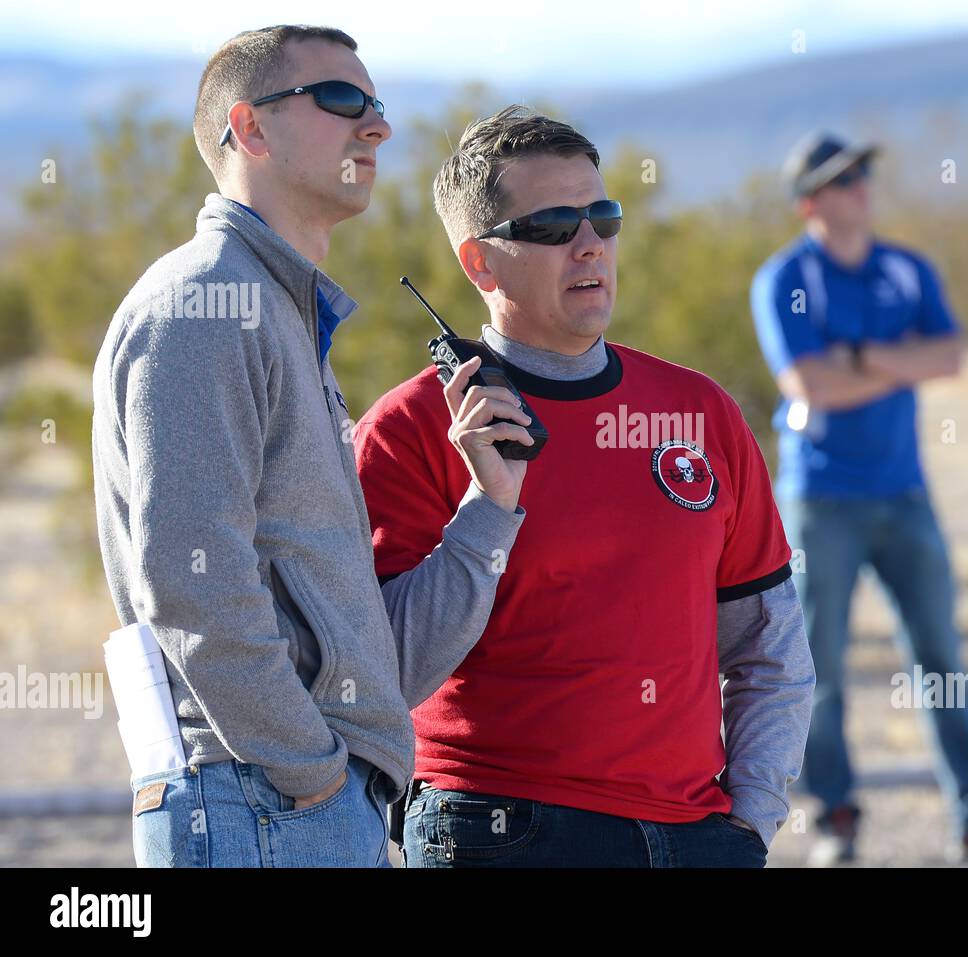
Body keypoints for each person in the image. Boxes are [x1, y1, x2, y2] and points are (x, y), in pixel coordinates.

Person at [92, 24, 513, 867]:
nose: (377, 126)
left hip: (294, 801)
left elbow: (362, 649)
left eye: (379, 105)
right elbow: (188, 577)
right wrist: (309, 769)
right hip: (258, 797)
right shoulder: (202, 305)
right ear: (250, 129)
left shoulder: (275, 312)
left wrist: (490, 506)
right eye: (342, 100)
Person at [353, 105, 814, 867]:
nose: (589, 244)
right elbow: (384, 671)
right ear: (479, 263)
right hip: (501, 830)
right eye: (553, 225)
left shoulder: (700, 411)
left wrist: (751, 820)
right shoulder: (405, 431)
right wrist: (488, 504)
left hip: (699, 833)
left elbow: (770, 644)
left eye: (602, 217)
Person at [749, 132, 968, 864]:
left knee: (943, 659)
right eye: (844, 177)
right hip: (822, 499)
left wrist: (859, 358)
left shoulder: (907, 268)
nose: (862, 186)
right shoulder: (785, 278)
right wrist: (898, 364)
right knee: (815, 665)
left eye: (864, 174)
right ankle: (835, 815)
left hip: (905, 493)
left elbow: (950, 356)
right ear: (809, 201)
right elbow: (809, 384)